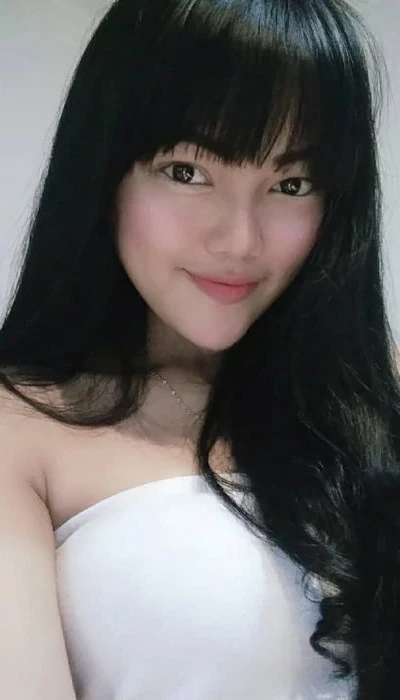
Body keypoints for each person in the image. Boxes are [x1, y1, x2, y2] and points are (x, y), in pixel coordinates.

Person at [0, 0, 399, 698]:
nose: (239, 240)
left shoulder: (374, 398)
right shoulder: (20, 425)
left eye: (291, 185)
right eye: (186, 170)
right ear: (102, 171)